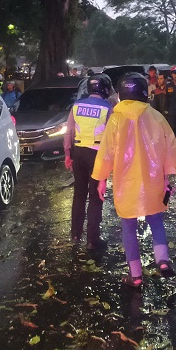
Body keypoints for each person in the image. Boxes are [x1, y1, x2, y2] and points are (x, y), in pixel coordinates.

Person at [92, 73, 176, 288]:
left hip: (126, 183)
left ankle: (136, 275)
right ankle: (162, 260)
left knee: (128, 227)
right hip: (152, 181)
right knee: (156, 219)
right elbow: (170, 146)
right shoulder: (156, 117)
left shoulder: (115, 119)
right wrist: (167, 177)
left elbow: (106, 153)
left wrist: (101, 179)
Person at [63, 74, 113, 250]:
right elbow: (111, 137)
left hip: (78, 153)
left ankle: (75, 234)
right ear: (105, 88)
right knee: (95, 197)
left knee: (79, 194)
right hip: (97, 155)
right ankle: (92, 240)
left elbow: (68, 132)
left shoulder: (77, 106)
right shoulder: (108, 108)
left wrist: (68, 153)